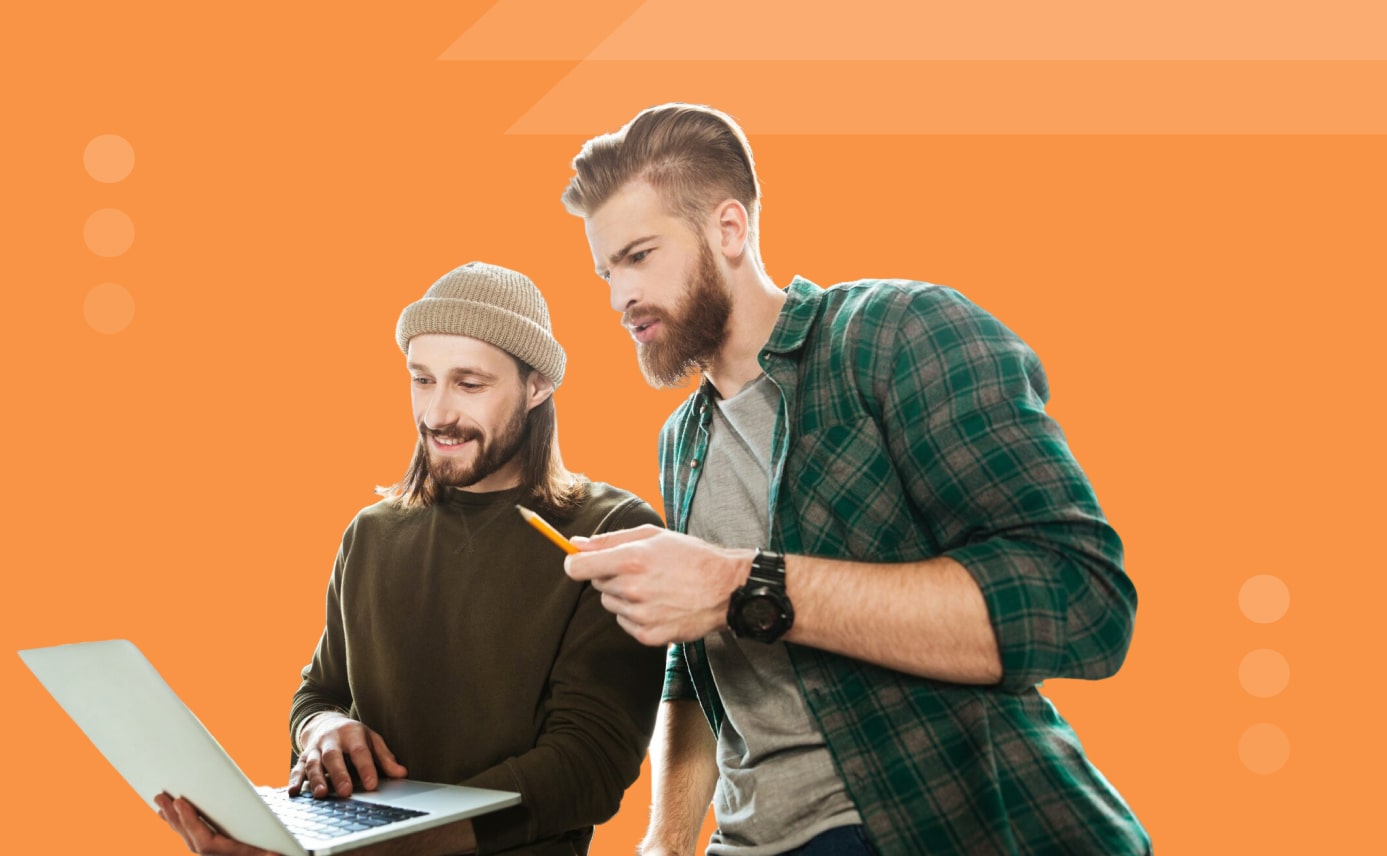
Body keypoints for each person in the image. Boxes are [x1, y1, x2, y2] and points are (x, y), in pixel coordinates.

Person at [558, 104, 1150, 855]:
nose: (617, 299)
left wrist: (741, 584)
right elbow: (701, 662)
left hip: (922, 821)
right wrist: (667, 841)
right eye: (606, 272)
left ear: (729, 230)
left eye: (639, 256)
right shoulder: (683, 440)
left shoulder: (898, 332)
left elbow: (1078, 597)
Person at [156, 261, 667, 856]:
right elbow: (318, 693)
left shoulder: (613, 531)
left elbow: (587, 768)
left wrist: (368, 851)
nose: (437, 414)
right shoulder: (372, 535)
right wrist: (322, 730)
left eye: (469, 384)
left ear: (537, 387)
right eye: (422, 379)